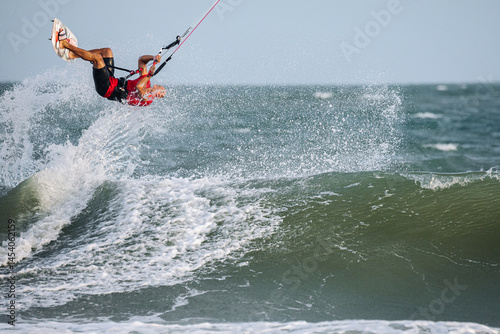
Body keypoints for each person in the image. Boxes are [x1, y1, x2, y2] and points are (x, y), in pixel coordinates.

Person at [57, 29, 166, 106]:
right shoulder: (146, 81)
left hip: (107, 89)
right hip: (112, 80)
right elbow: (141, 60)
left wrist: (150, 75)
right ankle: (71, 55)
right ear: (156, 86)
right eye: (161, 92)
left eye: (161, 96)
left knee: (97, 58)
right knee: (106, 51)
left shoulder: (147, 99)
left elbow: (139, 87)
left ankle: (64, 45)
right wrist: (153, 58)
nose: (159, 95)